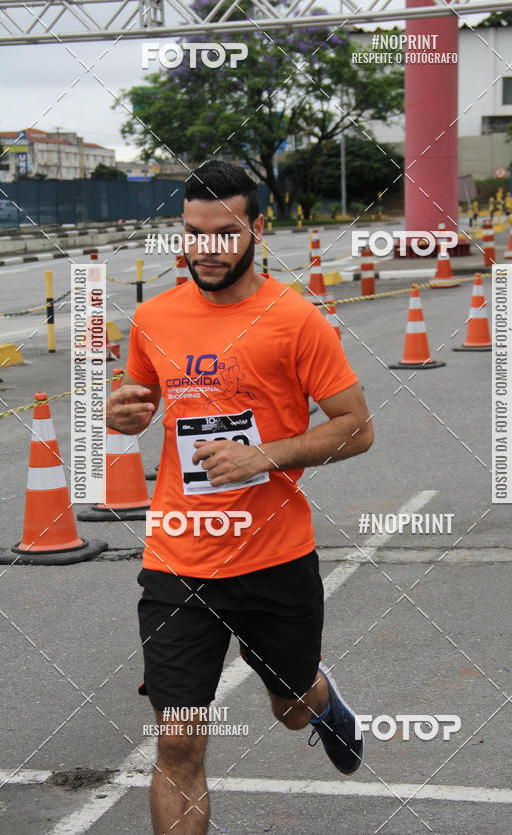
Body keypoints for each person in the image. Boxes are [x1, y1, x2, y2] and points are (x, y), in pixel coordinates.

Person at [106, 160, 374, 834]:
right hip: (178, 560)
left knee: (288, 706)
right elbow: (136, 398)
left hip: (274, 559)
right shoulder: (154, 317)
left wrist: (266, 455)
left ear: (259, 228)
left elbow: (357, 429)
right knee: (178, 743)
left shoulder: (296, 320)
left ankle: (319, 697)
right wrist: (123, 415)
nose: (205, 249)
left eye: (224, 234)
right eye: (193, 234)